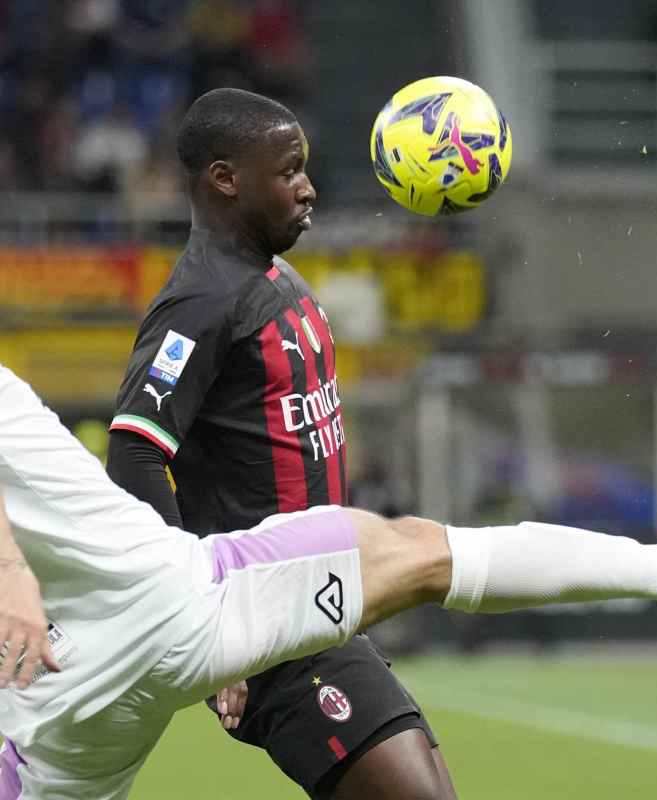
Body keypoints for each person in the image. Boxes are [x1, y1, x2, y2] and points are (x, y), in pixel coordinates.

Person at [0, 168, 657, 800]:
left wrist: (22, 592)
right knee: (414, 549)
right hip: (170, 605)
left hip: (53, 700)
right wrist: (15, 575)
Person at [104, 87, 451, 798]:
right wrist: (202, 624)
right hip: (272, 626)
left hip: (325, 608)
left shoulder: (274, 276)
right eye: (289, 170)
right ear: (225, 179)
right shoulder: (200, 301)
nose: (307, 186)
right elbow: (134, 453)